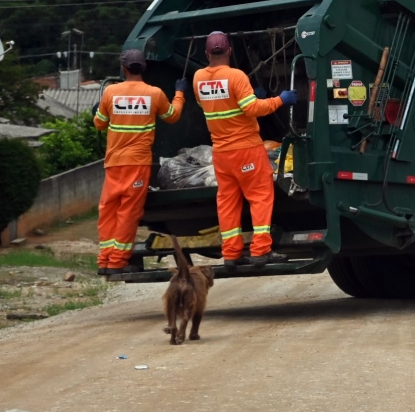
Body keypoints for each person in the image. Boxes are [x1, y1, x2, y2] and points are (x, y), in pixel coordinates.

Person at [193, 31, 296, 267]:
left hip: (220, 152)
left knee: (227, 203)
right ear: (230, 51)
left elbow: (209, 103)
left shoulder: (198, 77)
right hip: (246, 149)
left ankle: (231, 254)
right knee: (260, 197)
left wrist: (246, 96)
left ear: (207, 53)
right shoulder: (236, 76)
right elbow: (252, 109)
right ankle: (260, 251)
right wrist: (281, 99)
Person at [93, 49, 188, 276]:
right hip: (137, 164)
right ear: (144, 68)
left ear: (124, 69)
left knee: (108, 210)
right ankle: (117, 262)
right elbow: (172, 116)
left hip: (114, 162)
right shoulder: (154, 94)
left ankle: (104, 260)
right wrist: (179, 93)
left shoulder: (110, 92)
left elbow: (99, 123)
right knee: (128, 213)